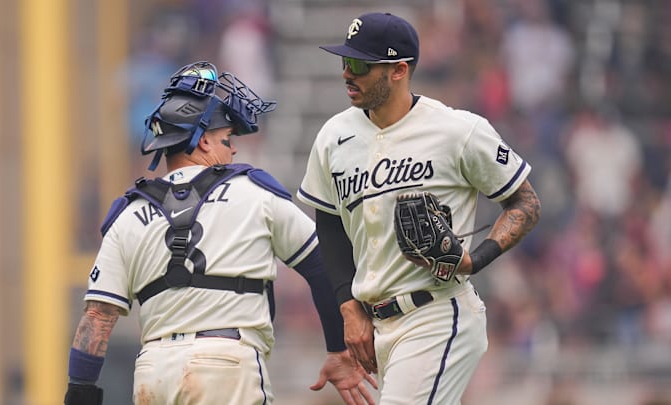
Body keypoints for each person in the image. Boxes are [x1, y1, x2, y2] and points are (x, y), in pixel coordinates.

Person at [64, 61, 376, 405]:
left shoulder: (128, 214)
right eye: (226, 138)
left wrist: (80, 394)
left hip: (153, 372)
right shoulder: (254, 193)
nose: (234, 149)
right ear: (202, 143)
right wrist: (337, 349)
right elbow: (321, 266)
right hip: (226, 364)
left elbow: (96, 317)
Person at [297, 12, 541, 404]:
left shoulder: (457, 130)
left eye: (360, 65)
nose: (347, 74)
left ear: (398, 70)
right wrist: (348, 307)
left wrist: (474, 260)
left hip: (436, 313)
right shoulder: (333, 137)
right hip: (376, 328)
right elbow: (329, 226)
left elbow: (525, 202)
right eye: (344, 62)